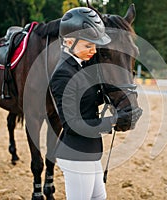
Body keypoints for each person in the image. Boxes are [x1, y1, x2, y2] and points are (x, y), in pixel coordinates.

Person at [49, 7, 132, 200]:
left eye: (95, 46)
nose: (93, 51)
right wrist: (112, 121)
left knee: (99, 198)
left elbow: (88, 96)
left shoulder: (81, 65)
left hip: (90, 150)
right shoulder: (63, 74)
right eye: (88, 46)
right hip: (76, 155)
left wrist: (122, 103)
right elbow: (72, 123)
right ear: (69, 42)